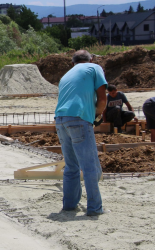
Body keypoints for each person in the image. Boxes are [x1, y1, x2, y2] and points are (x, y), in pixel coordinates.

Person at [54, 50, 108, 216]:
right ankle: (95, 208)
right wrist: (98, 114)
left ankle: (69, 205)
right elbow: (102, 98)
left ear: (72, 63)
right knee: (90, 166)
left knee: (71, 166)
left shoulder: (66, 75)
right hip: (79, 118)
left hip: (60, 119)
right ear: (91, 59)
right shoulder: (94, 67)